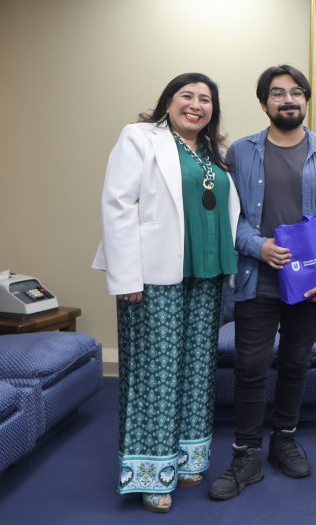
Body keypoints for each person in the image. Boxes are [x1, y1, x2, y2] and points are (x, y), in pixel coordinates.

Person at [93, 73, 238, 514]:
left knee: (197, 368)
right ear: (168, 102)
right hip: (154, 275)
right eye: (187, 96)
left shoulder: (216, 153)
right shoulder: (139, 138)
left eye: (206, 100)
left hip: (207, 274)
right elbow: (118, 205)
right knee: (156, 375)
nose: (196, 105)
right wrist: (126, 278)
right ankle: (150, 472)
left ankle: (189, 458)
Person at [209, 65, 316, 501]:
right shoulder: (242, 152)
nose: (287, 100)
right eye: (277, 93)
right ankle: (246, 454)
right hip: (257, 281)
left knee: (294, 364)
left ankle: (283, 440)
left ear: (306, 100)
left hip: (310, 285)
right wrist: (259, 246)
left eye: (295, 93)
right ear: (264, 102)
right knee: (251, 370)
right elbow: (229, 218)